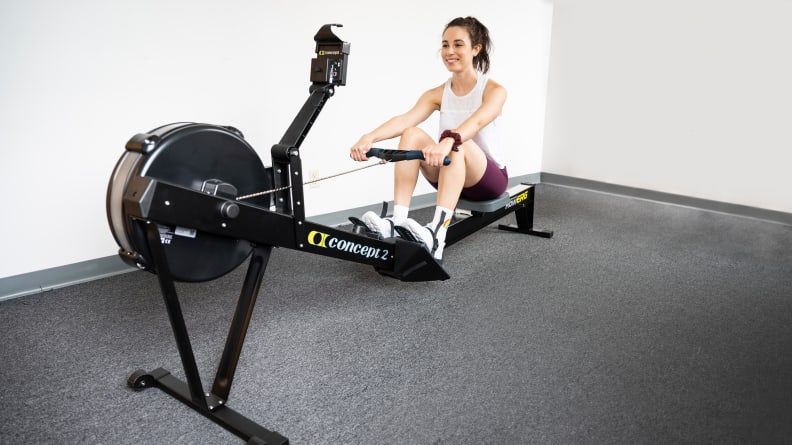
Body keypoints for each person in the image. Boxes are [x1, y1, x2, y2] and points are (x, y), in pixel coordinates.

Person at [350, 16, 507, 263]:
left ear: (476, 49)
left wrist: (449, 140)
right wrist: (369, 137)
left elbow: (476, 122)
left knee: (458, 142)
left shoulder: (494, 91)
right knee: (411, 133)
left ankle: (437, 233)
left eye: (458, 44)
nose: (449, 51)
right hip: (447, 172)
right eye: (445, 45)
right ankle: (397, 219)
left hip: (486, 179)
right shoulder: (437, 93)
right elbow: (405, 119)